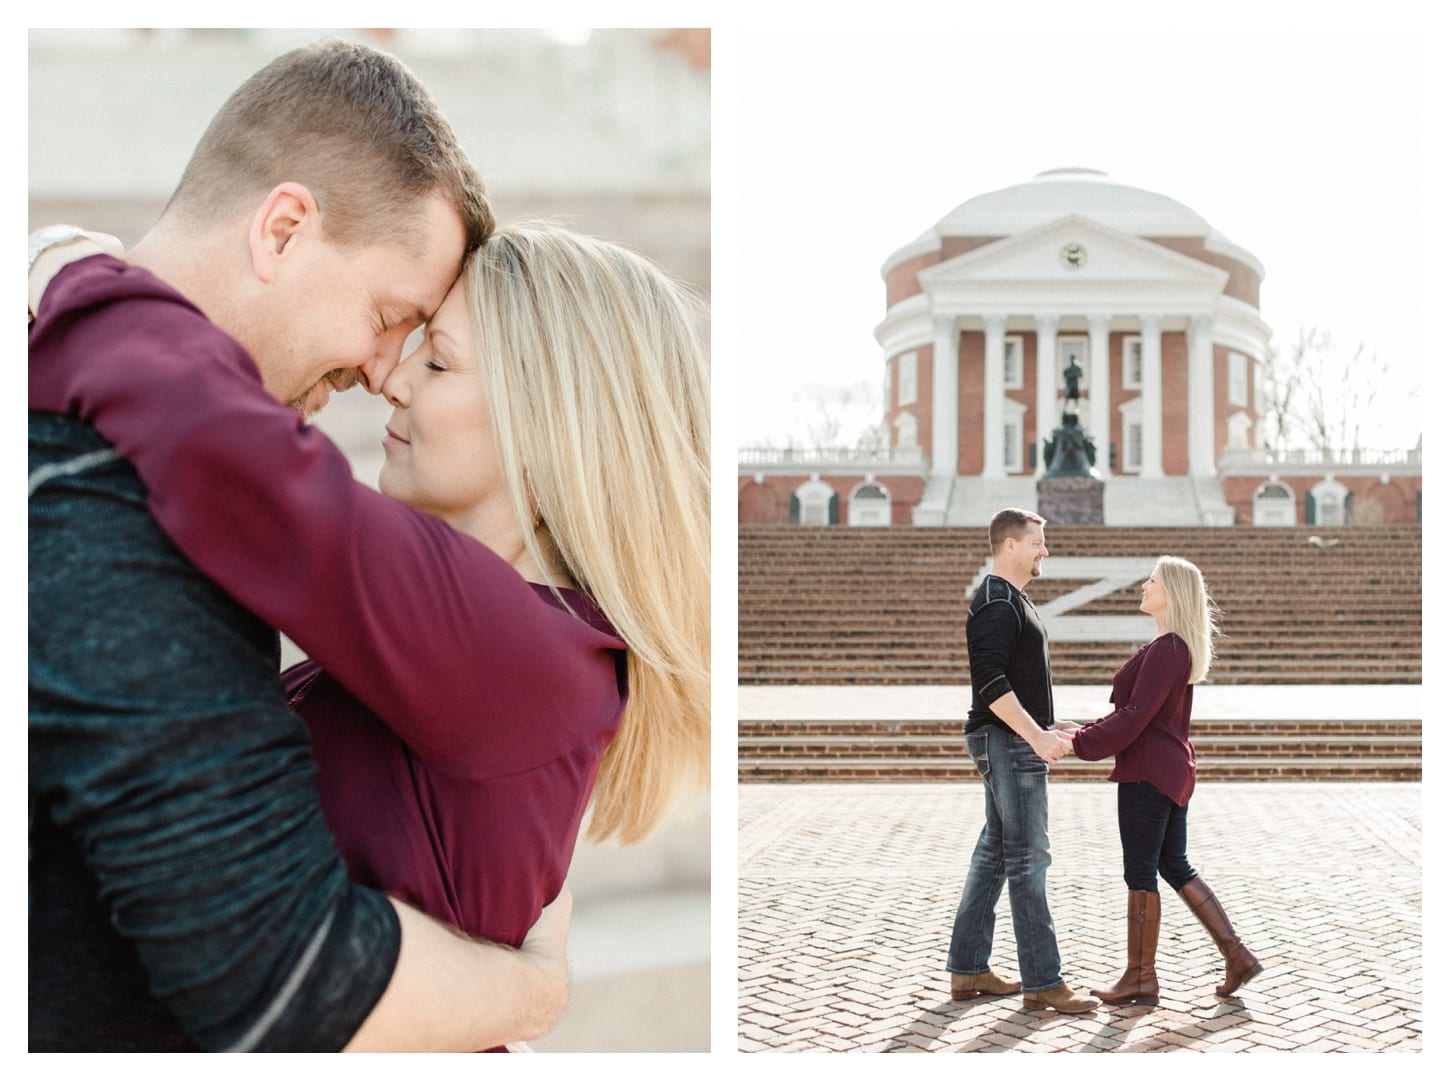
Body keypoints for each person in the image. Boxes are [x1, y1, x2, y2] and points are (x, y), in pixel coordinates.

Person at [28, 40, 570, 1052]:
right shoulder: (114, 494)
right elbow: (283, 977)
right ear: (281, 229)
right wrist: (533, 993)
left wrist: (61, 262)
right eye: (388, 318)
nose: (380, 373)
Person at [1068, 557, 1263, 1004]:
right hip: (1170, 769)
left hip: (1150, 773)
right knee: (1174, 864)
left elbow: (1135, 717)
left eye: (1152, 581)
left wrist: (1080, 746)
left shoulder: (1168, 648)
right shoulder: (1170, 647)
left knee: (1141, 871)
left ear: (1170, 592)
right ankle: (1237, 956)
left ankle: (1141, 977)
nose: (1144, 585)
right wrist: (1078, 730)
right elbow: (1137, 713)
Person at [944, 509, 1098, 1013]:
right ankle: (1043, 980)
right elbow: (991, 685)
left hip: (1010, 739)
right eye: (1038, 542)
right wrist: (1035, 737)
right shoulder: (994, 602)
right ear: (1010, 545)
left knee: (994, 854)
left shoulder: (1012, 599)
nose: (1044, 551)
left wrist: (1051, 724)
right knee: (1029, 857)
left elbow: (1012, 681)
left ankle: (968, 971)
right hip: (1007, 743)